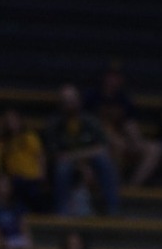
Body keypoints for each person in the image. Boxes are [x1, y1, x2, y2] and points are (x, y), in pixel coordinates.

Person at [46, 84, 120, 215]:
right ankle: (62, 213)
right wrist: (82, 165)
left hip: (89, 163)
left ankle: (113, 210)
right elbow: (57, 155)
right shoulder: (54, 123)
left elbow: (102, 148)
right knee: (63, 167)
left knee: (104, 162)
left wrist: (80, 160)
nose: (70, 103)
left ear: (79, 100)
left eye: (72, 99)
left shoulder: (90, 121)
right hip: (68, 166)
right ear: (61, 103)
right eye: (66, 100)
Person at [85, 64, 162, 188]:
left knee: (154, 149)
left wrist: (135, 140)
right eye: (110, 76)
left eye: (116, 77)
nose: (113, 80)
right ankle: (115, 184)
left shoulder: (124, 100)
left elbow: (130, 124)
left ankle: (132, 186)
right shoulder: (92, 97)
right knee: (117, 143)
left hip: (123, 141)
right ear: (104, 77)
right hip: (98, 143)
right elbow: (88, 125)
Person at [0, 108, 48, 212]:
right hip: (14, 180)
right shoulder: (4, 142)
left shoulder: (30, 136)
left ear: (20, 121)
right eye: (9, 120)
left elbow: (40, 156)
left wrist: (43, 175)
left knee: (36, 193)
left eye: (14, 119)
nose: (12, 123)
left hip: (32, 178)